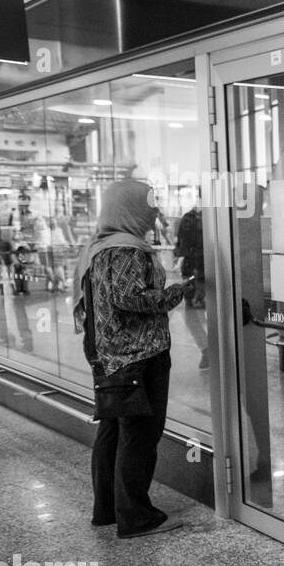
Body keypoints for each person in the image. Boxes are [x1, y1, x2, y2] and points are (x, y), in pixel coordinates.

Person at [72, 180, 192, 538]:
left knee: (113, 431)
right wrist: (175, 293)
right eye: (149, 203)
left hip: (110, 355)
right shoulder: (127, 250)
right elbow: (130, 298)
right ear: (130, 208)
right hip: (138, 355)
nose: (154, 210)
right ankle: (136, 517)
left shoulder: (99, 246)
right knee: (139, 435)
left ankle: (107, 509)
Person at [173, 200, 209, 369]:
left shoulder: (190, 219)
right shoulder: (204, 219)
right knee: (200, 315)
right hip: (202, 272)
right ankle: (212, 349)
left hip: (195, 273)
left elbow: (182, 248)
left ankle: (208, 349)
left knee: (193, 316)